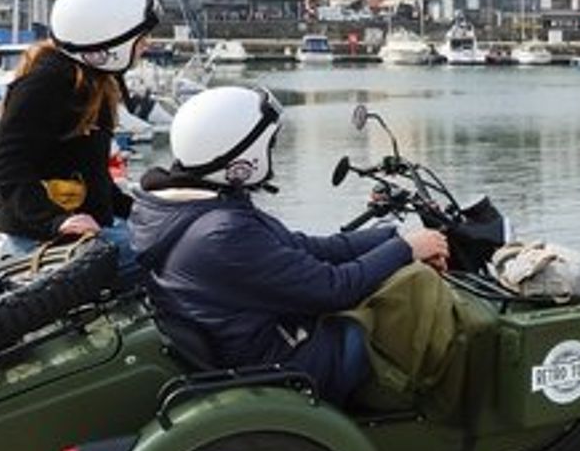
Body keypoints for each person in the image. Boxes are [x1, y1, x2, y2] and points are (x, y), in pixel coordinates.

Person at [129, 85, 450, 405]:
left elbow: (302, 247)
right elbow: (332, 289)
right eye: (267, 145)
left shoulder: (185, 210)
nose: (272, 154)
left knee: (397, 294)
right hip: (286, 363)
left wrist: (393, 238)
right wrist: (405, 250)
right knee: (421, 317)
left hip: (259, 342)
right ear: (242, 160)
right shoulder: (221, 233)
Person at [0, 0, 159, 269]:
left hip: (82, 231)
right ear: (107, 41)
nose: (146, 45)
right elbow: (3, 166)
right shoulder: (47, 84)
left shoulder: (92, 82)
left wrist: (138, 210)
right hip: (43, 241)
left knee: (169, 243)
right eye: (140, 38)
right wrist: (55, 221)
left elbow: (91, 173)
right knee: (168, 258)